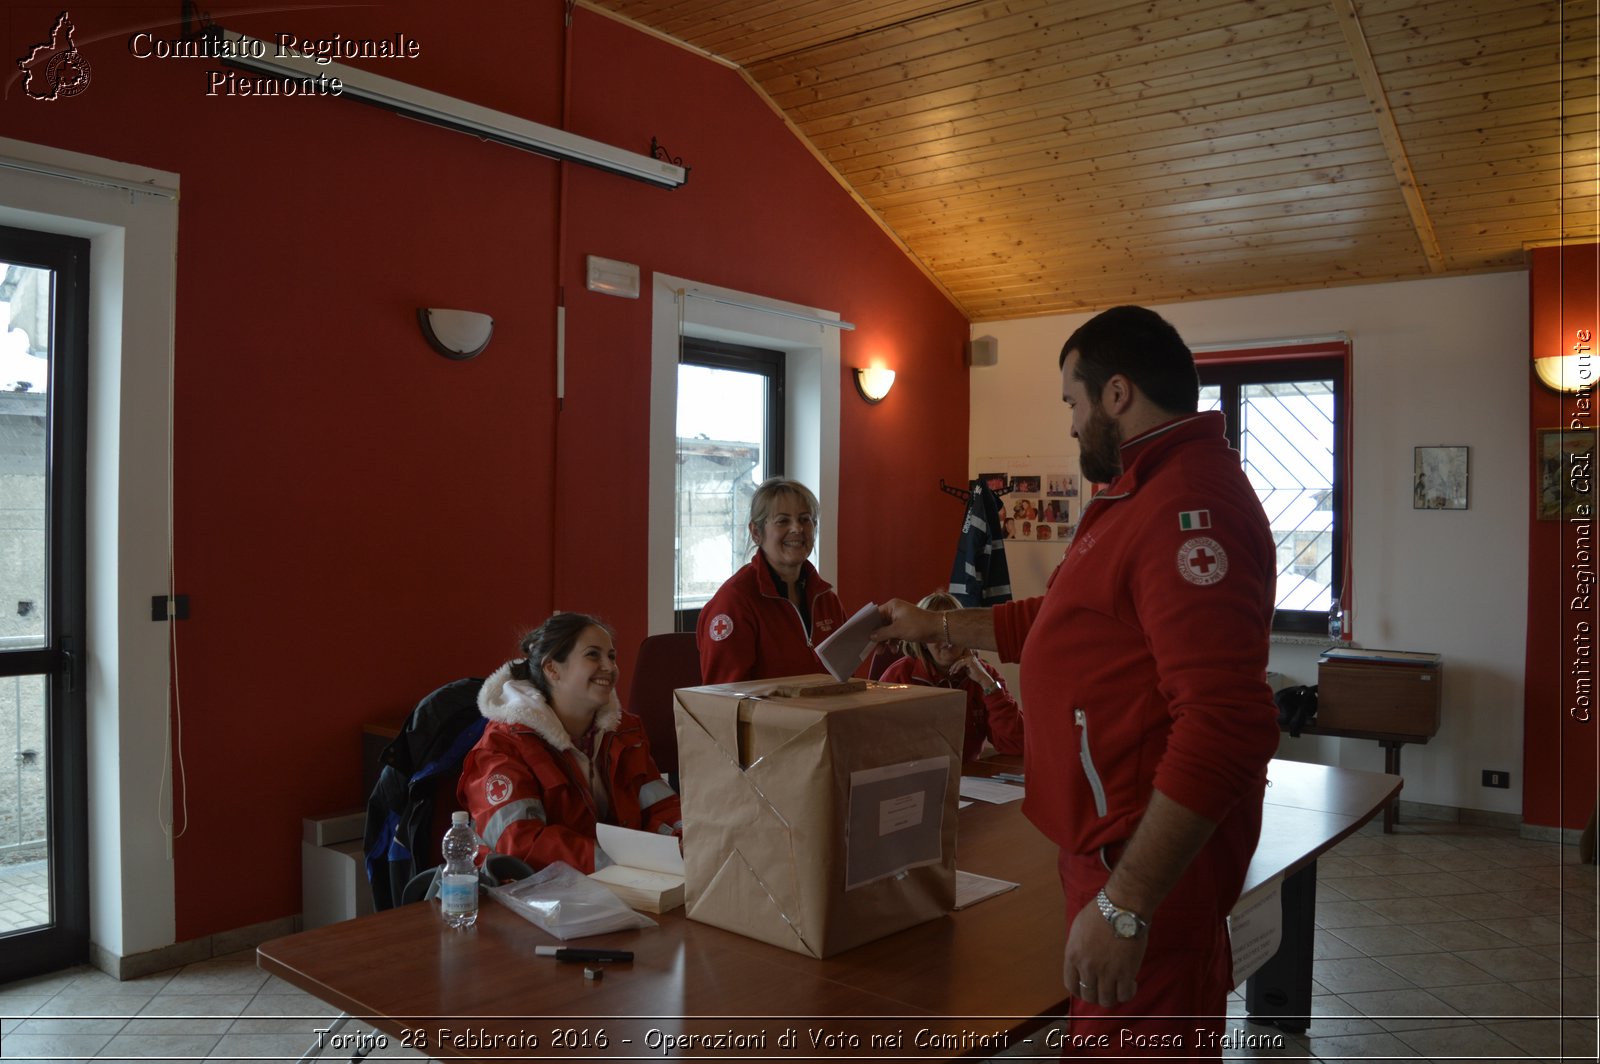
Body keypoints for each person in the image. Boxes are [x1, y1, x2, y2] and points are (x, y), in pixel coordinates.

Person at [872, 305, 1279, 1057]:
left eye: (1071, 400)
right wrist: (936, 626)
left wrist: (1127, 905)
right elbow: (1057, 620)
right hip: (1109, 852)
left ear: (1116, 393)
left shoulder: (1188, 506)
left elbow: (1226, 724)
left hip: (1142, 864)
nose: (1069, 422)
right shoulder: (1136, 491)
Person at [458, 612, 682, 874]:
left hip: (625, 884)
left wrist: (684, 842)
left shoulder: (625, 732)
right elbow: (518, 844)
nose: (609, 667)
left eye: (611, 656)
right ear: (552, 668)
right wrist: (615, 865)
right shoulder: (503, 746)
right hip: (532, 897)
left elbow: (659, 806)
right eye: (592, 655)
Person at [697, 477, 845, 683]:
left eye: (805, 519)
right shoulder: (734, 602)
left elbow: (846, 682)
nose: (797, 529)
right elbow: (723, 700)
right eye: (783, 521)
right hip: (764, 716)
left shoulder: (826, 600)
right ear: (756, 532)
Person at [878, 591, 1023, 764]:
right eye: (937, 635)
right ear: (922, 640)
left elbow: (1016, 744)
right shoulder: (899, 676)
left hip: (968, 780)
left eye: (954, 633)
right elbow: (879, 747)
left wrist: (988, 684)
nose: (948, 642)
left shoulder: (985, 675)